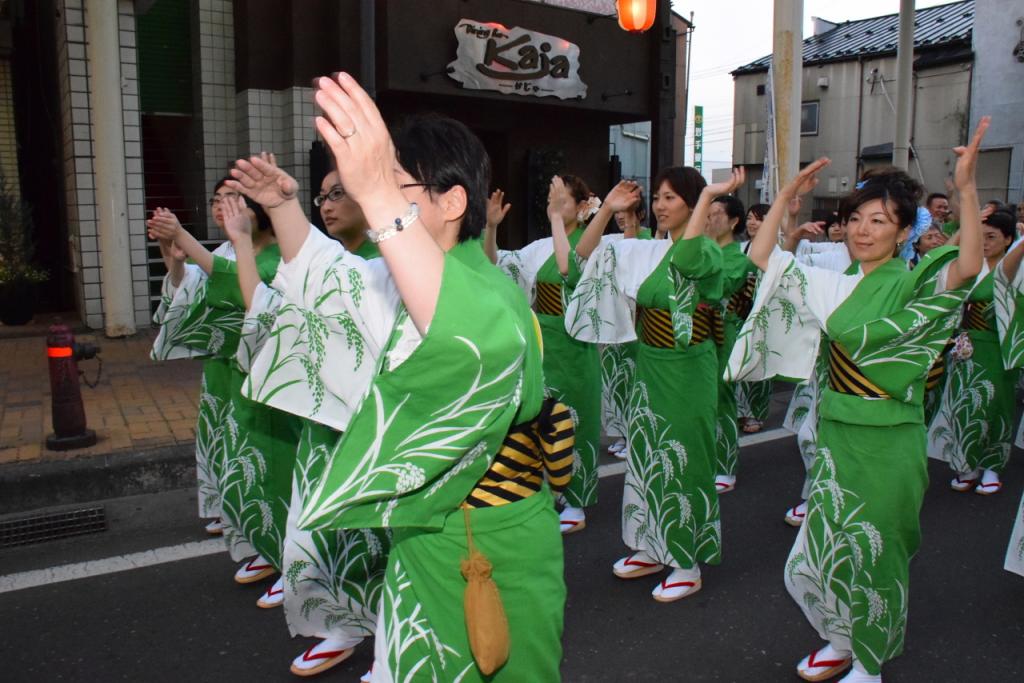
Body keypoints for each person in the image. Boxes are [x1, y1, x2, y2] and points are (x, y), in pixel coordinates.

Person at [240, 72, 567, 681]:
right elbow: (329, 277)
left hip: (490, 540)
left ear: (452, 202)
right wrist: (284, 205)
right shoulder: (403, 278)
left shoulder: (488, 292)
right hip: (423, 532)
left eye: (397, 186)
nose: (374, 200)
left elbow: (468, 343)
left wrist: (379, 196)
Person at [727, 118, 989, 682]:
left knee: (878, 552)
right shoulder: (834, 280)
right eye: (856, 220)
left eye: (880, 222)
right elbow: (761, 260)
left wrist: (966, 189)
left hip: (890, 440)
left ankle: (869, 659)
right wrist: (785, 202)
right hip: (837, 432)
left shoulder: (917, 280)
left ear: (902, 233)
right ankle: (839, 636)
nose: (863, 231)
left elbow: (969, 264)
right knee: (828, 545)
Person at [225, 165, 388, 678]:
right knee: (317, 529)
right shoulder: (315, 259)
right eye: (321, 196)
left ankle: (389, 632)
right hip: (321, 422)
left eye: (339, 194)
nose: (327, 204)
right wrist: (243, 244)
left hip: (375, 425)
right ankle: (342, 622)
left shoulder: (392, 263)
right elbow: (266, 314)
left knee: (379, 538)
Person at [564, 166, 737, 602]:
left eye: (671, 198)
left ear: (694, 204)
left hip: (687, 368)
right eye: (657, 197)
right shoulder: (642, 249)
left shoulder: (709, 253)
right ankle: (650, 543)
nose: (660, 205)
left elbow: (687, 260)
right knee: (645, 455)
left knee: (684, 457)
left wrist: (709, 196)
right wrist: (607, 209)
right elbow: (581, 257)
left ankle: (687, 561)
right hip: (648, 364)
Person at [150, 180, 299, 600]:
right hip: (227, 371)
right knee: (240, 457)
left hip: (268, 377)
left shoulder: (281, 253)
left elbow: (245, 288)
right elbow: (193, 295)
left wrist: (184, 238)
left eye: (233, 201)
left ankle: (295, 559)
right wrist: (174, 256)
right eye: (216, 200)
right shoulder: (227, 250)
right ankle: (261, 538)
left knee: (274, 464)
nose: (222, 209)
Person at [486, 174, 639, 534]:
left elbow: (571, 264)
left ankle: (577, 497)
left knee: (575, 419)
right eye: (551, 201)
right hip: (542, 341)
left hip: (574, 343)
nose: (554, 207)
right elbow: (497, 265)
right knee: (539, 418)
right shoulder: (539, 247)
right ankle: (545, 489)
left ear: (583, 207)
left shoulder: (598, 244)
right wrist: (492, 228)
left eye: (563, 201)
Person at [929, 208, 1024, 496]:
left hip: (997, 349)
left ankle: (992, 465)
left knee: (996, 406)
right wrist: (964, 227)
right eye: (980, 236)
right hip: (962, 348)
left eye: (992, 237)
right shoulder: (969, 265)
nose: (984, 242)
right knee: (962, 406)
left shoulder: (1013, 268)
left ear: (1009, 239)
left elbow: (1003, 275)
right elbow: (936, 264)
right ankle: (966, 464)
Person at [708, 193, 756, 493]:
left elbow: (717, 289)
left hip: (723, 335)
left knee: (721, 399)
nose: (708, 219)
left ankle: (725, 465)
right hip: (700, 335)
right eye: (706, 214)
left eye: (715, 214)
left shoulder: (737, 258)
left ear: (733, 221)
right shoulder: (704, 251)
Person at [736, 203, 773, 434]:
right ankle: (741, 410)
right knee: (740, 363)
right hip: (739, 312)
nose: (752, 223)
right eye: (750, 218)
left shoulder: (775, 250)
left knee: (760, 365)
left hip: (764, 314)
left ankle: (755, 412)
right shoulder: (740, 248)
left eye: (758, 219)